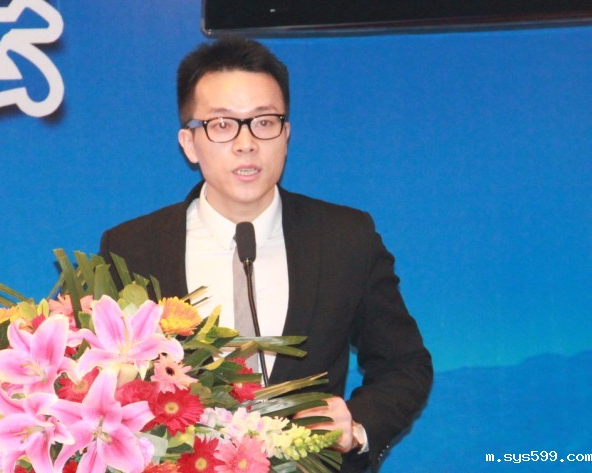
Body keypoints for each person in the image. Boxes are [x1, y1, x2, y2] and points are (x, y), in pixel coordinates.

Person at [99, 36, 432, 472]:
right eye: (222, 125)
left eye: (264, 122)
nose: (246, 143)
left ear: (286, 135)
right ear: (189, 143)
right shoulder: (131, 248)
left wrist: (357, 425)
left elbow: (404, 365)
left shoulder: (345, 238)